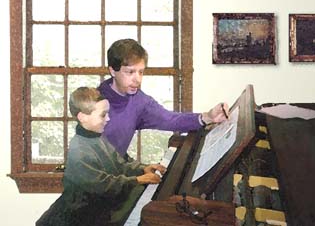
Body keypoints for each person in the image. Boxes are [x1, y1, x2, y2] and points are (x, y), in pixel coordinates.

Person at [36, 87, 166, 226]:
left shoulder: (97, 137)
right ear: (83, 117)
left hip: (92, 211)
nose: (108, 119)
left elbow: (119, 164)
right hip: (73, 219)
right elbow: (104, 185)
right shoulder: (79, 150)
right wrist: (138, 180)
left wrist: (143, 168)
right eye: (103, 115)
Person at [98, 38, 229, 157]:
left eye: (141, 72)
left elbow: (170, 119)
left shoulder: (139, 101)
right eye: (130, 72)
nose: (137, 79)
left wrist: (208, 117)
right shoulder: (95, 102)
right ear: (112, 71)